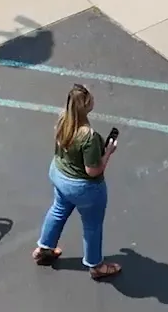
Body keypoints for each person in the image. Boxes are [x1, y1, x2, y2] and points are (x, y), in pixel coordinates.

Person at [32, 84, 121, 280]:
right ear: (87, 105)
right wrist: (108, 153)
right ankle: (96, 266)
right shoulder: (89, 137)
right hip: (83, 188)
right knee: (92, 225)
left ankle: (45, 248)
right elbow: (92, 170)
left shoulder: (63, 120)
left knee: (58, 210)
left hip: (59, 175)